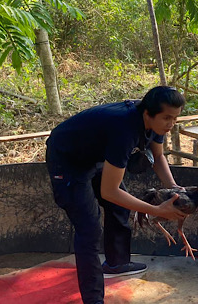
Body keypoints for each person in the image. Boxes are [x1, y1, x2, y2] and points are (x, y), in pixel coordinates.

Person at [46, 86, 189, 304]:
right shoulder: (124, 129)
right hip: (67, 160)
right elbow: (109, 191)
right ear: (147, 114)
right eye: (167, 118)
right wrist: (157, 210)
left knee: (120, 207)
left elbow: (158, 156)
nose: (171, 124)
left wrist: (174, 187)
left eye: (175, 118)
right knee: (89, 230)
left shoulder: (154, 124)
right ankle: (93, 300)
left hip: (95, 154)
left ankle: (116, 263)